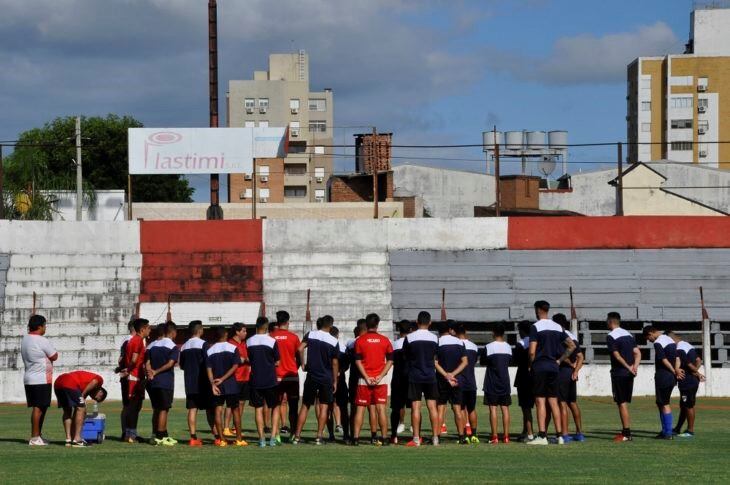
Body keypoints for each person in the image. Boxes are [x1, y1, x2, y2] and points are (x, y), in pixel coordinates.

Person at [527, 301, 576, 446]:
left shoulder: (535, 327)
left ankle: (542, 435)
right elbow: (571, 346)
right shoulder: (557, 327)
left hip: (540, 366)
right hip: (554, 368)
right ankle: (560, 435)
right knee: (553, 401)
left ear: (537, 310)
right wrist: (560, 360)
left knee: (540, 400)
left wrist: (531, 365)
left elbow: (531, 351)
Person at [293, 315, 339, 445]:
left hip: (312, 375)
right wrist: (335, 381)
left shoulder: (311, 334)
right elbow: (335, 363)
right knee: (324, 407)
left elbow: (299, 348)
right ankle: (319, 436)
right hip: (326, 377)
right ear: (330, 325)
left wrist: (303, 364)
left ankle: (297, 436)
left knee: (305, 405)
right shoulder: (333, 341)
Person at [351, 313, 393, 446]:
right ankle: (385, 438)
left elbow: (358, 362)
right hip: (380, 380)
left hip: (364, 379)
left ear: (366, 324)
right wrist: (380, 376)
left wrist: (366, 377)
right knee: (381, 409)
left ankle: (356, 438)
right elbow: (390, 360)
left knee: (360, 409)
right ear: (377, 324)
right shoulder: (385, 340)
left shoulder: (360, 340)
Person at [403, 311, 440, 447]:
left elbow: (405, 356)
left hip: (415, 375)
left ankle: (416, 438)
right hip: (430, 375)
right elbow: (436, 356)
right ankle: (435, 437)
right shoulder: (435, 338)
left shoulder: (410, 337)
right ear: (430, 322)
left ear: (417, 321)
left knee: (415, 407)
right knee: (432, 407)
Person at [21, 314, 58, 446]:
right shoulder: (41, 340)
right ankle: (35, 437)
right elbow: (54, 356)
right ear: (40, 326)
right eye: (44, 325)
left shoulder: (25, 339)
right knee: (38, 408)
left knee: (41, 408)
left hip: (30, 377)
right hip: (40, 378)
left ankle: (38, 436)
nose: (45, 328)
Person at [206, 326, 246, 447]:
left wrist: (213, 383)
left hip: (217, 385)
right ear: (226, 335)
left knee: (218, 410)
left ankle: (222, 440)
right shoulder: (233, 348)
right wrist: (224, 378)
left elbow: (209, 369)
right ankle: (239, 439)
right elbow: (235, 366)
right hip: (230, 384)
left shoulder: (210, 350)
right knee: (235, 410)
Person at [643, 326, 683, 440]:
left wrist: (673, 370)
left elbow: (663, 359)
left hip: (663, 376)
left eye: (648, 337)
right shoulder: (669, 339)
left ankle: (668, 433)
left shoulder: (658, 342)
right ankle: (665, 431)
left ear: (651, 333)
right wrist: (676, 369)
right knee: (661, 403)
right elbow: (677, 358)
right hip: (671, 378)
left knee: (664, 403)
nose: (648, 340)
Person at [606, 312, 640, 442]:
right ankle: (626, 431)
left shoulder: (611, 336)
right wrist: (634, 367)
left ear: (610, 321)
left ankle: (626, 433)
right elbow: (637, 353)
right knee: (624, 402)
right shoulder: (629, 335)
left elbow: (617, 356)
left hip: (619, 373)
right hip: (629, 374)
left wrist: (627, 367)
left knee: (621, 403)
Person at [247, 317, 281, 447]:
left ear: (256, 326)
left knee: (258, 409)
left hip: (255, 380)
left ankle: (261, 439)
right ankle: (272, 437)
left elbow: (250, 359)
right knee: (275, 407)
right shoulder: (272, 341)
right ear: (266, 327)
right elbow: (277, 361)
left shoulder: (249, 341)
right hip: (270, 380)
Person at [179, 320, 214, 446]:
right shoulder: (204, 344)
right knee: (210, 409)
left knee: (192, 409)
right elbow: (208, 363)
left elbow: (182, 365)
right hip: (203, 382)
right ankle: (216, 436)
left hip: (189, 383)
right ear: (200, 331)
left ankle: (193, 437)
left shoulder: (183, 346)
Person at [145, 321, 180, 446]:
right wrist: (156, 371)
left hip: (151, 382)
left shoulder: (150, 345)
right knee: (164, 409)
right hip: (164, 381)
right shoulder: (172, 346)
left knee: (156, 409)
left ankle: (157, 434)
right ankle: (161, 436)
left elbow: (147, 362)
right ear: (172, 332)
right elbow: (171, 363)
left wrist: (150, 373)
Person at [552, 313, 585, 443]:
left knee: (562, 403)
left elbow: (561, 356)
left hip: (562, 373)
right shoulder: (573, 337)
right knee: (573, 403)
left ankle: (564, 434)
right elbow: (581, 357)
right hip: (571, 374)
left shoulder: (560, 337)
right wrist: (576, 370)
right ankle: (579, 433)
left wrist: (568, 363)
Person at [53, 370, 107, 447]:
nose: (94, 398)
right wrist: (82, 395)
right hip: (70, 382)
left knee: (67, 411)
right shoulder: (100, 381)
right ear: (101, 392)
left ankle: (69, 439)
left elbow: (76, 411)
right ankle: (77, 439)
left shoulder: (83, 388)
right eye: (97, 398)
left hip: (58, 383)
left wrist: (82, 397)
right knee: (81, 408)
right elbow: (94, 381)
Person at [435, 321, 468, 444]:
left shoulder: (437, 342)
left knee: (440, 409)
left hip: (441, 379)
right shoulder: (459, 342)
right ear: (449, 330)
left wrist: (446, 375)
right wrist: (453, 375)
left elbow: (435, 363)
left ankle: (437, 436)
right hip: (456, 379)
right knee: (457, 408)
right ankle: (461, 436)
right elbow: (465, 362)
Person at [270, 310, 301, 437]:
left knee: (275, 406)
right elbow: (299, 355)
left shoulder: (270, 337)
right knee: (293, 407)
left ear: (277, 322)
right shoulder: (294, 337)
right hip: (291, 376)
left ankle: (276, 434)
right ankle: (293, 434)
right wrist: (295, 367)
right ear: (288, 322)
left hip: (276, 377)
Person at [670, 332, 704, 438]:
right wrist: (696, 371)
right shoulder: (688, 345)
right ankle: (678, 428)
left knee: (688, 405)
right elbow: (698, 360)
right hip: (691, 381)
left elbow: (688, 363)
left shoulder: (679, 348)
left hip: (687, 382)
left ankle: (690, 431)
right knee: (684, 405)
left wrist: (696, 372)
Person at [122, 318, 151, 443]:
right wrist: (128, 370)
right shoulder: (138, 341)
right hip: (134, 378)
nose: (150, 330)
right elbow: (134, 359)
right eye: (148, 328)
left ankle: (129, 434)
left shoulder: (132, 340)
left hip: (133, 376)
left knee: (131, 407)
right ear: (142, 329)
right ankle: (131, 434)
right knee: (134, 406)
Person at [483, 323, 512, 444]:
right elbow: (509, 361)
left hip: (491, 382)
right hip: (505, 381)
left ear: (493, 333)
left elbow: (483, 361)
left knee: (493, 409)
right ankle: (506, 436)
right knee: (505, 409)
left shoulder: (489, 347)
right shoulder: (508, 347)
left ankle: (494, 436)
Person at [226, 322, 250, 445]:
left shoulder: (244, 344)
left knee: (241, 404)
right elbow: (235, 360)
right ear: (237, 332)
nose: (246, 333)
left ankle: (236, 427)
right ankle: (226, 428)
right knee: (231, 404)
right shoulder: (230, 344)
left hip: (245, 377)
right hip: (235, 377)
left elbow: (245, 358)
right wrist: (243, 360)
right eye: (244, 331)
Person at [455, 323, 479, 444]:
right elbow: (474, 362)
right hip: (471, 381)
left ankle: (464, 433)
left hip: (460, 382)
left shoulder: (457, 345)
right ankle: (474, 434)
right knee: (472, 409)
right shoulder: (474, 346)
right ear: (466, 332)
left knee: (461, 408)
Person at [389, 320, 413, 444]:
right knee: (415, 406)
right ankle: (415, 434)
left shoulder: (394, 344)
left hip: (397, 379)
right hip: (412, 379)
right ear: (410, 330)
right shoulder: (413, 343)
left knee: (396, 408)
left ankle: (394, 435)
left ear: (399, 331)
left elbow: (389, 362)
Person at [513, 320, 534, 442]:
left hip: (524, 377)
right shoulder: (535, 342)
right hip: (536, 376)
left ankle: (529, 433)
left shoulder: (521, 344)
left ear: (522, 331)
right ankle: (526, 430)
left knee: (525, 407)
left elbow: (516, 360)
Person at [329, 326, 350, 442]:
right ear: (337, 335)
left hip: (327, 379)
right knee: (343, 408)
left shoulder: (325, 344)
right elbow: (347, 364)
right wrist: (340, 371)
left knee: (327, 407)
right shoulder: (342, 347)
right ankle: (346, 435)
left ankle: (330, 435)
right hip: (340, 380)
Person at [116, 319, 135, 441]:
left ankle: (126, 432)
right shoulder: (131, 340)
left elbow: (120, 359)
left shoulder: (125, 340)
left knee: (127, 406)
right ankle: (129, 433)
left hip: (126, 375)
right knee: (130, 406)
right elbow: (125, 359)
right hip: (131, 376)